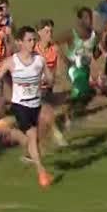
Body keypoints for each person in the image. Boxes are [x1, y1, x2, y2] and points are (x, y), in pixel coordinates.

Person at [0, 26, 55, 189]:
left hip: (35, 104)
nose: (32, 43)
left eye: (34, 40)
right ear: (19, 42)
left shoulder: (40, 60)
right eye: (29, 40)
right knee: (32, 138)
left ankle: (6, 130)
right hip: (20, 105)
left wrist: (48, 80)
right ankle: (42, 173)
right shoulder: (12, 62)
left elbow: (50, 78)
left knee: (33, 139)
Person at [36, 19, 67, 148]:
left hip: (48, 88)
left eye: (51, 32)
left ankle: (35, 146)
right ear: (39, 33)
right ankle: (56, 135)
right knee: (47, 113)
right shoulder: (33, 50)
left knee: (45, 118)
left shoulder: (55, 49)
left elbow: (60, 69)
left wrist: (56, 78)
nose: (50, 34)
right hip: (34, 89)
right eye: (47, 32)